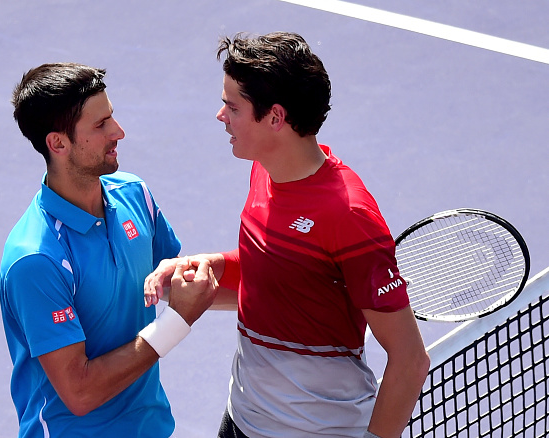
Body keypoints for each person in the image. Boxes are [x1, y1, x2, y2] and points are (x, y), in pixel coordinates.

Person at [145, 32, 430, 438]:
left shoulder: (348, 216)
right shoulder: (264, 170)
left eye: (232, 106)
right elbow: (278, 276)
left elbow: (410, 360)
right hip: (243, 419)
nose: (220, 116)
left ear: (275, 117)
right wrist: (202, 271)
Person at [0, 62, 218, 438]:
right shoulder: (36, 259)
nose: (118, 132)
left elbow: (180, 286)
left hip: (152, 428)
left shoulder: (135, 195)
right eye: (100, 125)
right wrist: (175, 323)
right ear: (58, 143)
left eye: (111, 117)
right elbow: (79, 392)